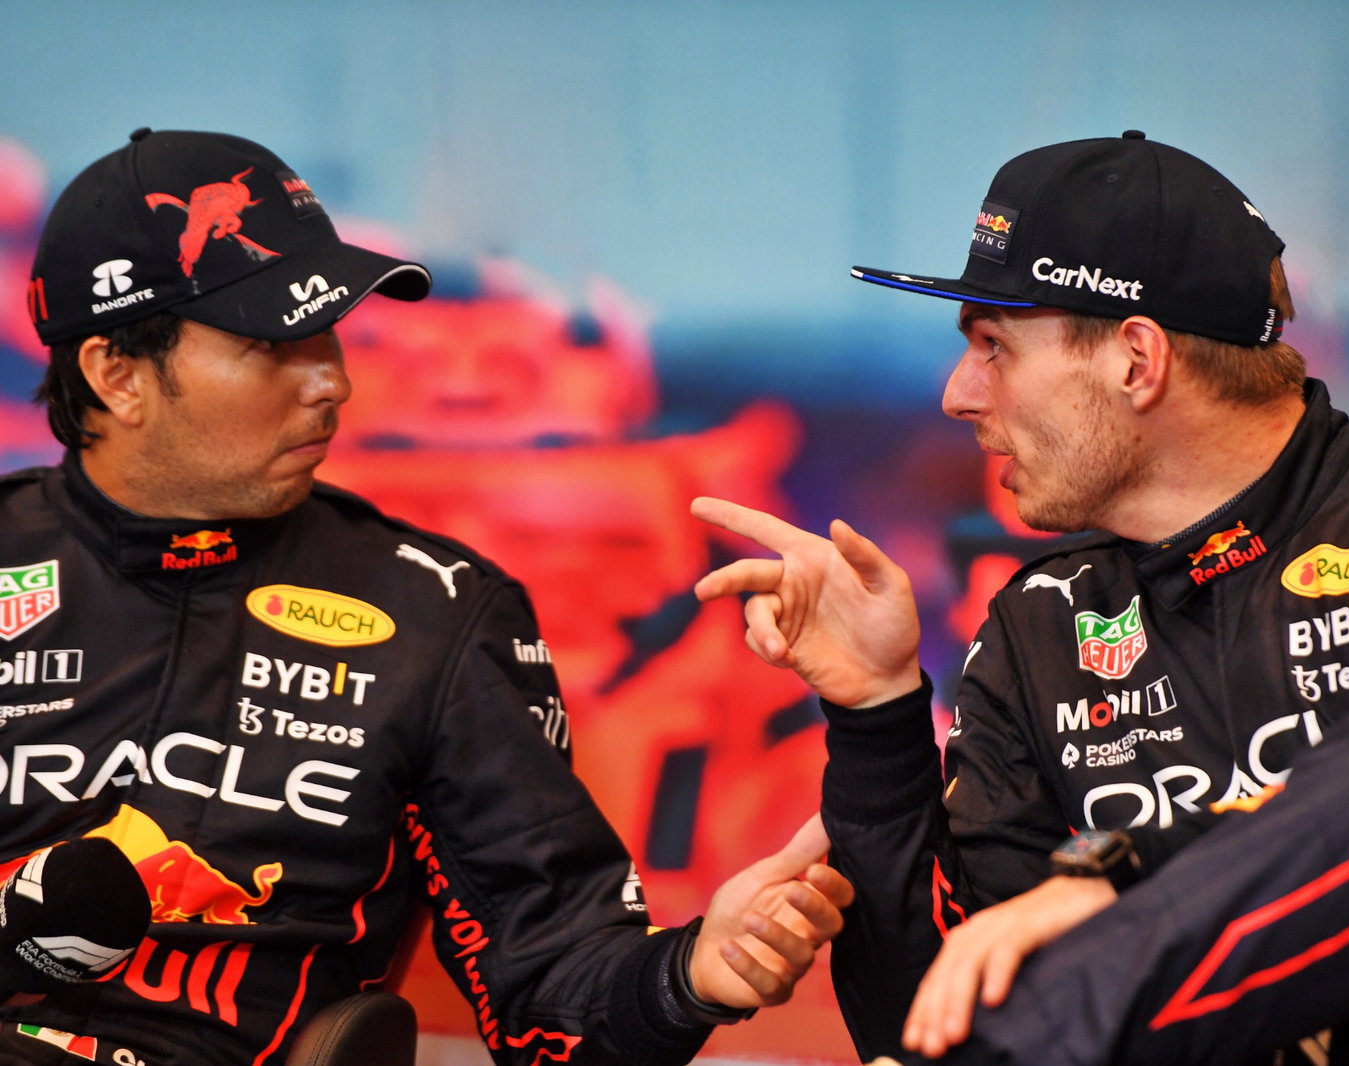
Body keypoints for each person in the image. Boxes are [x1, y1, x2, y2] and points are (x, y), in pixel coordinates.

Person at [691, 131, 1349, 1064]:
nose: (959, 395)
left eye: (994, 346)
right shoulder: (1043, 622)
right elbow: (936, 1029)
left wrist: (1127, 873)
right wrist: (877, 713)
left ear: (1136, 359)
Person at [2, 128, 853, 1066]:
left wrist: (686, 978)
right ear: (116, 373)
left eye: (328, 336)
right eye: (271, 345)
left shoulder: (434, 611)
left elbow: (552, 985)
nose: (333, 382)